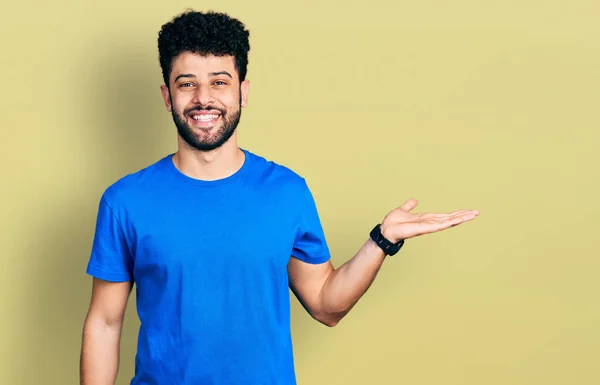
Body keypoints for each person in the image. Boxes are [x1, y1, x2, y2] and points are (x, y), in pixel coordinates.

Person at [79, 9, 479, 385]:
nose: (204, 98)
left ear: (243, 92)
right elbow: (104, 322)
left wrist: (382, 240)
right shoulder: (125, 201)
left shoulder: (287, 192)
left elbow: (326, 304)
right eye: (188, 84)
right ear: (168, 96)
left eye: (219, 81)